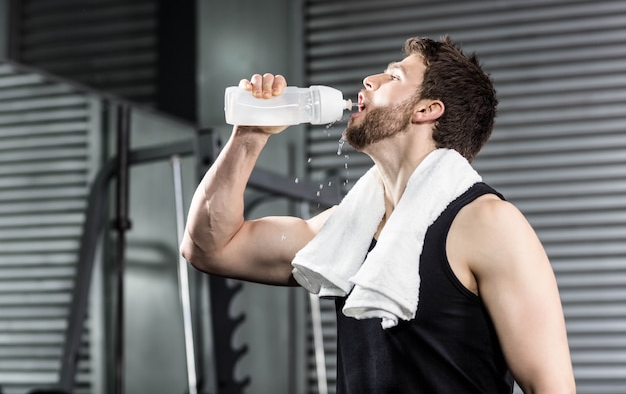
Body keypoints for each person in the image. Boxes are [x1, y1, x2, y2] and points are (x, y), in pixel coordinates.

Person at [180, 36, 576, 393]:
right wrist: (249, 136)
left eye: (393, 76)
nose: (370, 80)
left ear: (427, 109)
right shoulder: (347, 233)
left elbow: (552, 387)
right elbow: (210, 248)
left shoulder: (488, 223)